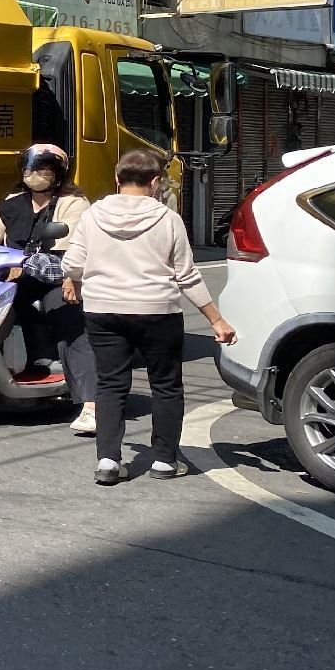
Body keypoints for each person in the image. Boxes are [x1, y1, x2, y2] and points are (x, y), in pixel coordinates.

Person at [62, 149, 237, 485]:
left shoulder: (93, 214)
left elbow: (72, 264)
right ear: (156, 181)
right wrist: (216, 319)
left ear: (117, 180)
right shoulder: (168, 219)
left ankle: (109, 462)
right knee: (166, 386)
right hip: (157, 311)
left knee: (111, 385)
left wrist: (82, 279)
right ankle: (164, 462)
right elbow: (186, 275)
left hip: (104, 311)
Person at [0, 142, 96, 433]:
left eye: (43, 168)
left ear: (59, 173)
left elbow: (72, 246)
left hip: (58, 277)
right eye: (30, 167)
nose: (34, 173)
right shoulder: (12, 202)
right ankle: (0, 372)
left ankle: (91, 404)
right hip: (14, 277)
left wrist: (71, 277)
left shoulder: (73, 203)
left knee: (67, 319)